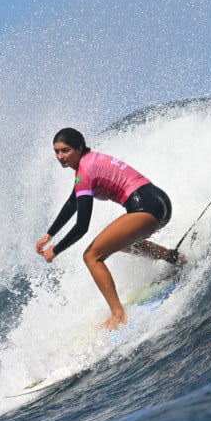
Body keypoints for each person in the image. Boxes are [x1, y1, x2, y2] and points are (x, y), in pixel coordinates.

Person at [35, 127, 182, 330]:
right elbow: (72, 203)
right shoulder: (89, 162)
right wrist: (49, 235)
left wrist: (56, 250)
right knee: (116, 244)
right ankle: (173, 257)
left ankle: (118, 315)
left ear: (79, 148)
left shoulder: (85, 171)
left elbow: (82, 227)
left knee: (91, 256)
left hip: (145, 207)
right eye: (57, 151)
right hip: (158, 202)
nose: (60, 156)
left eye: (65, 150)